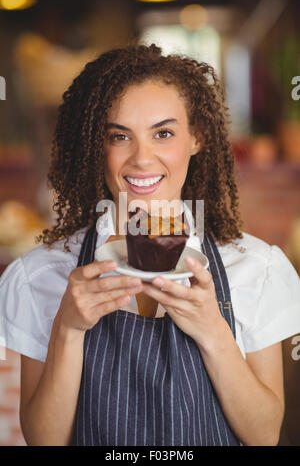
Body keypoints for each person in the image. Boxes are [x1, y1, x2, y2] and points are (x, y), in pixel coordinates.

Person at [0, 44, 300, 447]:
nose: (142, 158)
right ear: (95, 146)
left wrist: (213, 331)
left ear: (197, 138)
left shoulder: (258, 269)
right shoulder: (38, 277)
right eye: (120, 136)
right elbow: (45, 440)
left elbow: (264, 435)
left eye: (163, 133)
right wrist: (67, 329)